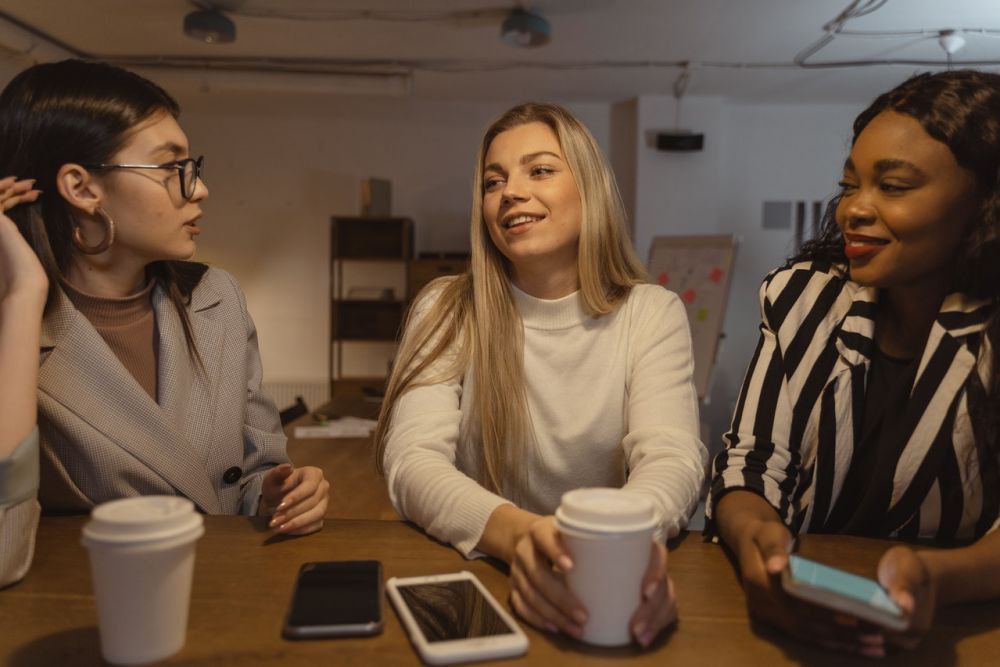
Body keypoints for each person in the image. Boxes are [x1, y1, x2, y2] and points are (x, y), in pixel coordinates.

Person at [375, 102, 706, 646]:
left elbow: (671, 458)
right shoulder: (445, 307)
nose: (510, 192)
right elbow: (411, 463)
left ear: (590, 187)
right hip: (483, 584)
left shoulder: (652, 311)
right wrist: (524, 536)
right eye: (493, 180)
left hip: (610, 587)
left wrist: (609, 550)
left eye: (541, 170)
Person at [0, 59, 329, 587]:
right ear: (82, 188)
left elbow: (252, 470)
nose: (199, 190)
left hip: (225, 599)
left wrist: (279, 495)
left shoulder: (215, 299)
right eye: (172, 168)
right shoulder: (15, 326)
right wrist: (21, 296)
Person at [707, 69, 1000, 657]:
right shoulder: (801, 300)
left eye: (892, 186)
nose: (853, 210)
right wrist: (757, 538)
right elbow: (751, 462)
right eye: (850, 184)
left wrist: (935, 579)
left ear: (982, 202)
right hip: (794, 621)